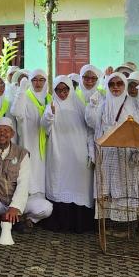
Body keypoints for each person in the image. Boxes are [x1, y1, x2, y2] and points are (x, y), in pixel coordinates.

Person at [88, 72, 139, 227]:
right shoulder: (103, 104)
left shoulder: (132, 104)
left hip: (126, 153)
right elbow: (93, 125)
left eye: (119, 83)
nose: (115, 87)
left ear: (125, 85)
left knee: (126, 187)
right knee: (106, 186)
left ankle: (128, 226)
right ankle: (109, 224)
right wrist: (92, 106)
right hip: (107, 152)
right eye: (111, 84)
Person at [0, 115, 51, 230]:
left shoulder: (22, 153)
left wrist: (15, 207)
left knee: (46, 207)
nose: (2, 133)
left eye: (6, 130)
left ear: (12, 134)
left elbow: (23, 183)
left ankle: (24, 219)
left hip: (18, 200)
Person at [41, 76, 93, 232]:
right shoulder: (52, 105)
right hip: (58, 153)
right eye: (58, 90)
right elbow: (45, 127)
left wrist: (90, 151)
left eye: (65, 89)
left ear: (71, 89)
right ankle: (60, 224)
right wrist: (50, 115)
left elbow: (90, 129)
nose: (62, 93)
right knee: (59, 184)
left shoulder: (79, 105)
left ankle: (80, 225)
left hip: (78, 154)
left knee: (79, 185)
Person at [11, 69, 51, 214]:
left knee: (41, 176)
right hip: (28, 143)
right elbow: (16, 112)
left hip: (45, 146)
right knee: (27, 177)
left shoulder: (49, 98)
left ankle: (36, 213)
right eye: (34, 80)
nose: (38, 83)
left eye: (41, 80)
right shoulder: (25, 96)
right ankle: (21, 210)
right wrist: (21, 90)